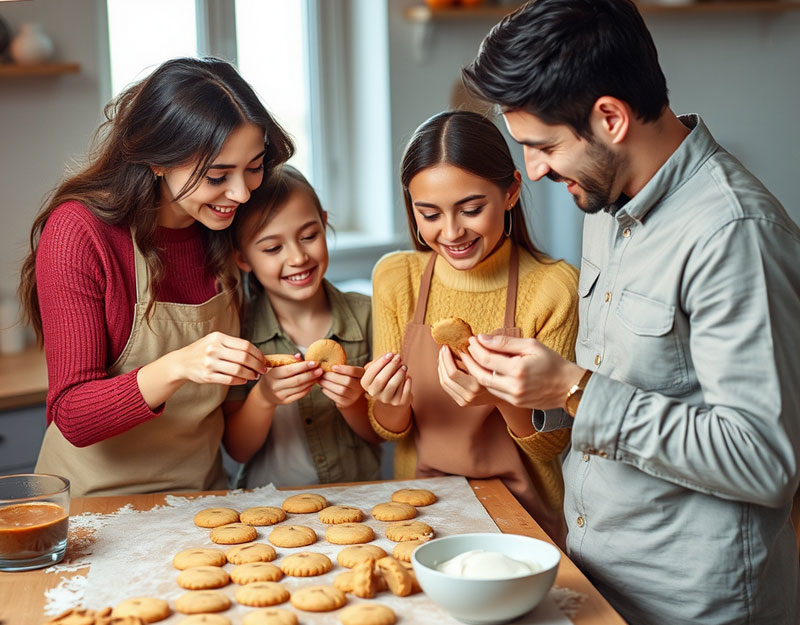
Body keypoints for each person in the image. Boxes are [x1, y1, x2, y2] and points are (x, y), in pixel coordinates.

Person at [460, 1, 800, 624]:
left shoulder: (735, 232)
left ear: (610, 118)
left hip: (694, 607)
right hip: (597, 579)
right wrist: (529, 390)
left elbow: (764, 460)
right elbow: (629, 389)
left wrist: (574, 389)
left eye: (543, 146)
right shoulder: (608, 203)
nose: (533, 170)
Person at [18, 57, 294, 497]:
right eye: (217, 176)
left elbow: (235, 432)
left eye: (255, 166)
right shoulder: (80, 232)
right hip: (96, 510)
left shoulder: (227, 229)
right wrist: (178, 365)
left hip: (200, 503)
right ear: (158, 161)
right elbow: (72, 414)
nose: (241, 193)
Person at [360, 110, 578, 544]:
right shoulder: (396, 278)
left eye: (471, 209)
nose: (452, 231)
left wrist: (496, 397)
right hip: (418, 513)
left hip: (525, 521)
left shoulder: (554, 287)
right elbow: (388, 430)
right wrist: (386, 399)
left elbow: (551, 444)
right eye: (430, 214)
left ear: (512, 192)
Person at [223, 165, 382, 488]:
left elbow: (381, 435)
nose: (297, 257)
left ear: (324, 224)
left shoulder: (368, 316)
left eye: (309, 236)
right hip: (265, 503)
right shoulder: (237, 330)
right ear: (242, 258)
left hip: (358, 499)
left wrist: (352, 402)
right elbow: (237, 449)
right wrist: (263, 397)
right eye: (272, 248)